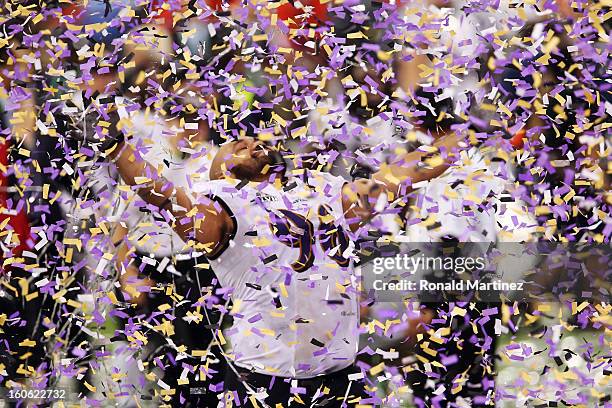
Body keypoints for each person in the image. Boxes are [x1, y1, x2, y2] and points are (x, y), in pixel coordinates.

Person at [82, 106, 463, 406]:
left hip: (340, 377)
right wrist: (116, 146)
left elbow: (395, 177)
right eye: (236, 147)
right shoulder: (221, 205)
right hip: (267, 379)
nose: (248, 144)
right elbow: (165, 197)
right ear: (217, 174)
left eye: (252, 141)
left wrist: (458, 140)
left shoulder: (323, 188)